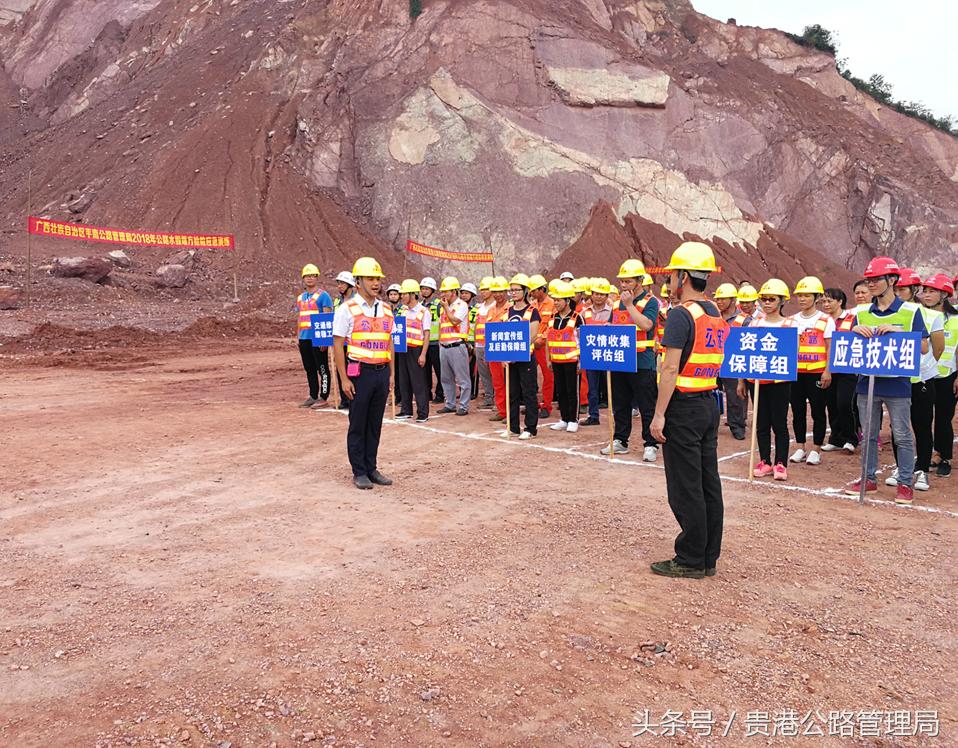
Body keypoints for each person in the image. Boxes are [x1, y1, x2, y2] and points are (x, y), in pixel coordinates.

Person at [649, 241, 727, 579]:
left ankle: (690, 557)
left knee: (685, 487)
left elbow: (670, 369)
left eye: (672, 276)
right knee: (709, 482)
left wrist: (658, 414)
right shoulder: (714, 313)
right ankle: (708, 556)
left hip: (683, 407)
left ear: (682, 276)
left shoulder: (681, 315)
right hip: (708, 402)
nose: (669, 282)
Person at [843, 256, 928, 505]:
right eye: (869, 279)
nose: (871, 284)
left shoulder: (911, 312)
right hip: (866, 384)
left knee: (901, 434)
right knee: (868, 434)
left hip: (898, 384)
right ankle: (868, 479)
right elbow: (850, 345)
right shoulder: (861, 313)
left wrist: (901, 333)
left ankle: (904, 482)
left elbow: (923, 347)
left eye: (876, 279)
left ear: (892, 280)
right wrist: (854, 330)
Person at [332, 257, 395, 490]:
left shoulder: (387, 309)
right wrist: (344, 379)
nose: (375, 283)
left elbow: (389, 343)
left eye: (378, 278)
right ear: (358, 282)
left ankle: (371, 467)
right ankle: (359, 471)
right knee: (358, 423)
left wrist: (391, 374)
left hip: (380, 373)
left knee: (374, 424)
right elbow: (338, 345)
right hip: (359, 374)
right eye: (370, 278)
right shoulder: (346, 309)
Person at [884, 269, 942, 492]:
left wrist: (926, 368)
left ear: (913, 290)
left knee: (922, 426)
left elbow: (936, 347)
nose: (899, 292)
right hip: (898, 380)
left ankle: (923, 471)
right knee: (897, 427)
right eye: (896, 288)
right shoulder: (886, 312)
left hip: (922, 380)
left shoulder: (929, 315)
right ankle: (901, 467)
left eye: (903, 289)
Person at [602, 259, 659, 460]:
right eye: (622, 281)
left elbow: (646, 325)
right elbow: (613, 326)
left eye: (628, 281)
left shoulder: (650, 302)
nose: (624, 285)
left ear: (639, 281)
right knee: (621, 403)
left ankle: (650, 443)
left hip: (642, 362)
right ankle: (620, 440)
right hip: (620, 361)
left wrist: (629, 305)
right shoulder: (616, 305)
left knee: (646, 405)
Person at [738, 279, 794, 481]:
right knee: (760, 423)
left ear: (781, 301)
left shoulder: (789, 325)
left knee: (779, 423)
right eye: (764, 299)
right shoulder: (755, 324)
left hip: (780, 383)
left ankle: (780, 463)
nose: (767, 302)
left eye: (772, 299)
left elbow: (791, 353)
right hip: (757, 382)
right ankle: (765, 461)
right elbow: (745, 354)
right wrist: (742, 381)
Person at [787, 276, 834, 466]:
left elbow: (830, 347)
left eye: (807, 295)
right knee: (797, 411)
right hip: (796, 373)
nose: (802, 299)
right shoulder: (791, 320)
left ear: (817, 297)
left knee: (818, 411)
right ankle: (800, 447)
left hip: (817, 372)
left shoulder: (825, 320)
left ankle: (815, 449)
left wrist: (827, 371)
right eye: (800, 295)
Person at [922, 273, 958, 478]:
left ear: (944, 294)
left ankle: (944, 457)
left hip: (947, 376)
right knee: (923, 418)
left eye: (932, 291)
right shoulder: (919, 315)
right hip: (925, 376)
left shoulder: (955, 320)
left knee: (944, 418)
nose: (926, 295)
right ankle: (928, 455)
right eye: (925, 291)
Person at [820, 288, 858, 453]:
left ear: (840, 302)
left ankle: (851, 438)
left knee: (845, 403)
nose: (826, 304)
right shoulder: (821, 320)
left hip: (846, 368)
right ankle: (836, 438)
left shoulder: (852, 319)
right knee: (831, 404)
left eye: (829, 301)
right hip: (827, 368)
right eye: (824, 301)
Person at [503, 273, 541, 439]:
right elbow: (502, 334)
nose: (514, 293)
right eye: (511, 290)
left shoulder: (532, 311)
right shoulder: (507, 311)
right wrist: (504, 357)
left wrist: (517, 353)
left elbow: (532, 335)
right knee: (512, 393)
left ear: (525, 291)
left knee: (528, 393)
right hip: (510, 360)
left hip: (526, 358)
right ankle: (513, 427)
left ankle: (530, 428)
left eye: (517, 290)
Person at [546, 280, 583, 432]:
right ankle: (564, 418)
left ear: (567, 300)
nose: (556, 303)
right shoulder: (552, 317)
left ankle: (573, 419)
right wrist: (549, 359)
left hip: (572, 360)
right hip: (556, 360)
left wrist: (581, 361)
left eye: (559, 300)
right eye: (554, 300)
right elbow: (549, 339)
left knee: (572, 390)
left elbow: (583, 340)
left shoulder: (577, 318)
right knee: (560, 389)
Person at [296, 263, 334, 409]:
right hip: (304, 337)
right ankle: (313, 395)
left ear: (317, 278)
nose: (310, 278)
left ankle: (323, 397)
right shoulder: (300, 298)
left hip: (318, 338)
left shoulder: (324, 296)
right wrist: (298, 336)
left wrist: (325, 339)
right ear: (303, 279)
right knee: (309, 368)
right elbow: (300, 318)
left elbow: (327, 317)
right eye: (307, 276)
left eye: (312, 276)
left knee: (322, 368)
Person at [713, 282, 747, 440]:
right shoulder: (713, 317)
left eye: (722, 299)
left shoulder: (744, 320)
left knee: (735, 396)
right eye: (717, 299)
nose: (719, 301)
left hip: (734, 362)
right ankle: (711, 425)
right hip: (713, 360)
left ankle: (737, 426)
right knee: (712, 395)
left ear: (733, 300)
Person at [395, 279, 430, 423]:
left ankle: (423, 412)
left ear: (412, 294)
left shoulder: (423, 312)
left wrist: (423, 354)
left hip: (416, 349)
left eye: (404, 294)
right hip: (403, 349)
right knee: (403, 380)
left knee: (418, 382)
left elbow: (426, 334)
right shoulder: (403, 311)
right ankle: (406, 409)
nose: (401, 296)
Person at [436, 276, 472, 416]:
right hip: (444, 346)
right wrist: (440, 343)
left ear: (454, 291)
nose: (443, 294)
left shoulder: (461, 305)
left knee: (463, 379)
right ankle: (450, 404)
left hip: (457, 345)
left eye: (446, 291)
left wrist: (445, 307)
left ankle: (463, 406)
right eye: (443, 291)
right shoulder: (444, 308)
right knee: (446, 378)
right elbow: (441, 326)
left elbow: (455, 321)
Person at [581, 278, 613, 426]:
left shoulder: (613, 312)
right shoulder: (584, 313)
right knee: (592, 388)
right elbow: (578, 333)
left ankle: (616, 416)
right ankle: (593, 415)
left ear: (607, 296)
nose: (599, 296)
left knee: (612, 386)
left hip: (608, 355)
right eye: (596, 293)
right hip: (591, 355)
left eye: (602, 294)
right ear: (591, 295)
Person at [485, 276, 512, 423]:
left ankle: (510, 411)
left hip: (507, 351)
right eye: (495, 292)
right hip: (494, 350)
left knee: (510, 382)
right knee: (497, 382)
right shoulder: (490, 310)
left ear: (505, 292)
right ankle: (502, 410)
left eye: (500, 291)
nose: (498, 294)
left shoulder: (512, 308)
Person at [528, 274, 555, 419]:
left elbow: (552, 326)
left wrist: (542, 339)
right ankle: (532, 405)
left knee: (548, 377)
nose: (531, 293)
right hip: (532, 346)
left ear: (541, 289)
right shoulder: (532, 305)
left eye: (534, 290)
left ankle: (547, 405)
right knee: (530, 376)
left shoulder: (552, 304)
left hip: (545, 346)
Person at [472, 277, 497, 410]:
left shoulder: (496, 307)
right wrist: (476, 343)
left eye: (486, 289)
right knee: (484, 374)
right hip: (480, 345)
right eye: (482, 289)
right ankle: (488, 398)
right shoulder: (480, 307)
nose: (483, 292)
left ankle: (498, 399)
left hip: (491, 345)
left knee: (495, 373)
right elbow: (476, 326)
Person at [420, 277, 444, 404]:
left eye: (427, 289)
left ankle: (440, 394)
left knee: (439, 370)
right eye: (422, 289)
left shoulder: (439, 304)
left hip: (436, 342)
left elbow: (443, 322)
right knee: (425, 371)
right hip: (424, 343)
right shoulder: (420, 306)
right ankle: (426, 393)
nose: (424, 291)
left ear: (432, 290)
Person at [461, 282, 480, 399]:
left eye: (466, 293)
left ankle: (473, 392)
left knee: (473, 369)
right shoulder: (458, 308)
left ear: (472, 295)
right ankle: (463, 391)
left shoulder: (477, 309)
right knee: (462, 369)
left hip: (473, 342)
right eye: (462, 293)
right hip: (462, 341)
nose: (464, 295)